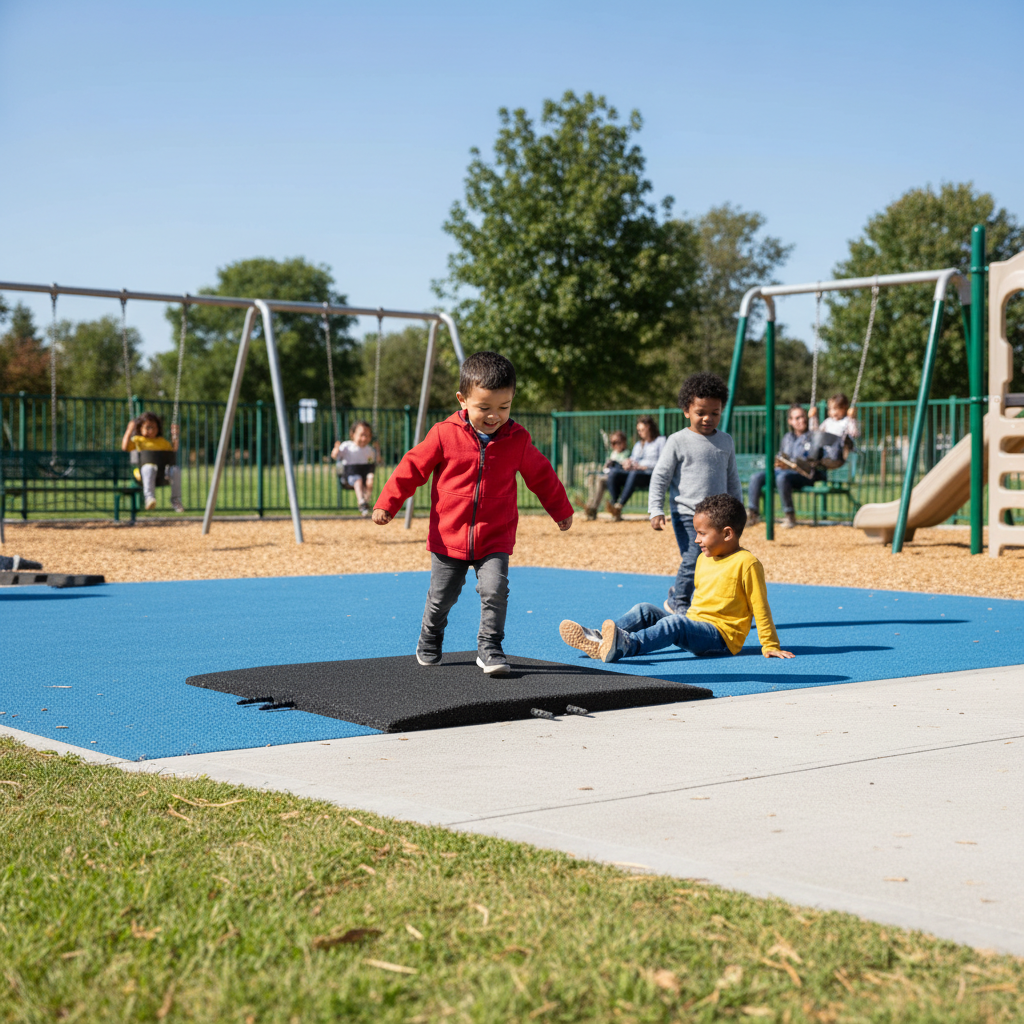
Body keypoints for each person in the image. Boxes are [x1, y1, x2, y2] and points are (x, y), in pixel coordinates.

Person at [373, 351, 574, 676]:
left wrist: (560, 509)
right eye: (484, 408)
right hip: (448, 536)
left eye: (504, 407)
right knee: (442, 598)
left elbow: (542, 475)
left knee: (495, 589)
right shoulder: (444, 434)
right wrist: (388, 502)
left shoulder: (517, 440)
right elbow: (413, 467)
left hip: (495, 536)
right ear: (462, 400)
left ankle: (490, 646)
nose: (494, 416)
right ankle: (430, 635)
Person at [559, 493, 794, 664]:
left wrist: (770, 644)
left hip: (720, 638)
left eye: (702, 534)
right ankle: (600, 640)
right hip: (695, 624)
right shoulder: (705, 558)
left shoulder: (747, 563)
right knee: (646, 609)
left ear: (727, 533)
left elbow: (760, 606)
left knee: (675, 623)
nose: (696, 540)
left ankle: (626, 645)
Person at [648, 372, 742, 616]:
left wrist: (738, 513)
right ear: (686, 410)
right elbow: (660, 477)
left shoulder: (726, 442)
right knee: (693, 559)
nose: (708, 418)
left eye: (715, 413)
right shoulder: (678, 441)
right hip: (687, 514)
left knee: (714, 563)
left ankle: (704, 604)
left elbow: (732, 479)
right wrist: (656, 509)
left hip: (718, 518)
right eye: (701, 412)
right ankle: (677, 601)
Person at [747, 404, 824, 530]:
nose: (802, 420)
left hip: (803, 475)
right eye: (797, 418)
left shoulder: (812, 436)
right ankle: (753, 513)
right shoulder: (787, 438)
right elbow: (782, 455)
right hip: (784, 472)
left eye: (803, 417)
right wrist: (779, 462)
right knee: (757, 477)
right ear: (790, 421)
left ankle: (789, 516)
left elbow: (811, 460)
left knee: (782, 477)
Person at [605, 416, 665, 521]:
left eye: (642, 430)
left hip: (650, 474)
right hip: (635, 472)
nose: (640, 433)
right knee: (613, 473)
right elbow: (633, 459)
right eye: (638, 430)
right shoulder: (638, 444)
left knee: (634, 474)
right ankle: (615, 504)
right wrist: (628, 462)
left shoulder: (661, 441)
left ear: (649, 428)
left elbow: (663, 462)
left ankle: (619, 505)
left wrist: (643, 466)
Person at [120, 412, 182, 512]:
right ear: (140, 428)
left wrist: (175, 435)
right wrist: (129, 430)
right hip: (142, 472)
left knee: (175, 470)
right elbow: (125, 447)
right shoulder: (137, 440)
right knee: (149, 467)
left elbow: (173, 451)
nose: (152, 430)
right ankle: (149, 498)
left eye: (154, 427)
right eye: (148, 427)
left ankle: (176, 499)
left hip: (162, 473)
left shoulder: (162, 441)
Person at [581, 430, 629, 520]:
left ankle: (596, 507)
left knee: (603, 480)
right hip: (610, 477)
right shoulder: (613, 454)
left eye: (617, 442)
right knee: (595, 478)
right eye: (613, 443)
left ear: (624, 442)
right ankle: (592, 506)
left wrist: (616, 463)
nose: (614, 445)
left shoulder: (627, 453)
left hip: (620, 478)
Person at [332, 420, 376, 518]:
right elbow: (335, 456)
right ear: (353, 434)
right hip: (349, 474)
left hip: (363, 472)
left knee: (370, 478)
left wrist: (378, 450)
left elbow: (375, 461)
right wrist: (336, 448)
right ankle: (361, 501)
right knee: (358, 480)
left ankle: (366, 502)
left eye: (367, 435)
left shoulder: (369, 449)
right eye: (361, 435)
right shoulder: (347, 446)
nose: (364, 438)